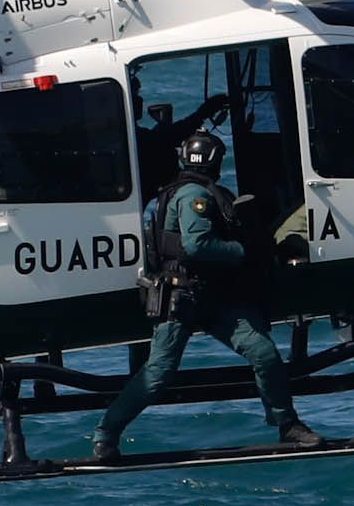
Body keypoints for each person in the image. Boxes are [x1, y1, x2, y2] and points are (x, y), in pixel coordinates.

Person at [97, 126, 324, 462]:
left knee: (263, 353)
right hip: (185, 297)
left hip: (215, 297)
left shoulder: (186, 192)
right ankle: (106, 434)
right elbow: (197, 245)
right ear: (216, 161)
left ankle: (286, 423)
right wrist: (245, 251)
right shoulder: (194, 197)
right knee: (158, 372)